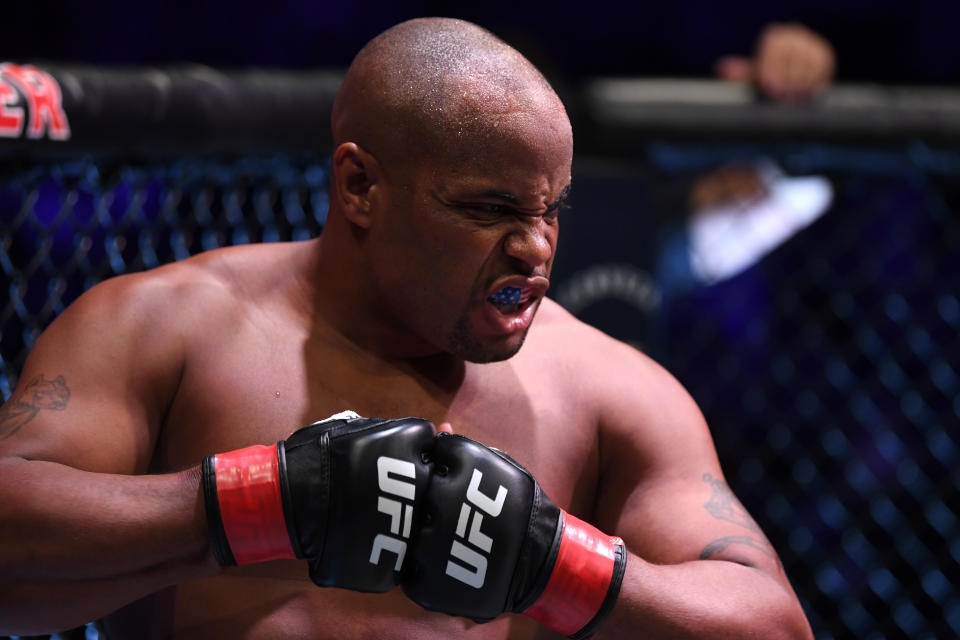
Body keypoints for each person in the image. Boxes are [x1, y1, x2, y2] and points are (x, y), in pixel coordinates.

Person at [0, 17, 814, 639]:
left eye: (549, 210)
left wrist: (555, 563)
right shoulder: (165, 327)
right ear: (360, 185)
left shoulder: (610, 389)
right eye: (488, 208)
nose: (534, 247)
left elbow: (770, 623)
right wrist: (266, 504)